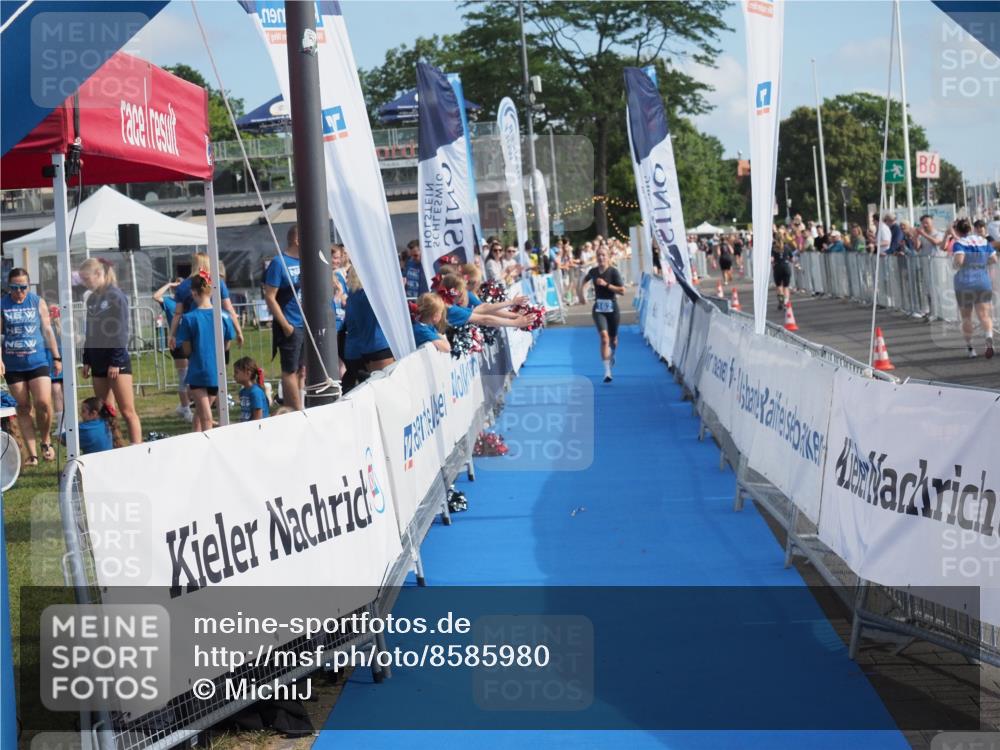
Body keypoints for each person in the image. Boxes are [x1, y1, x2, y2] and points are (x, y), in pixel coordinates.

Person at [79, 258, 142, 445]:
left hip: (116, 360)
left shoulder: (116, 295)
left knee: (127, 410)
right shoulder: (91, 298)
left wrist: (115, 360)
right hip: (97, 359)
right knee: (104, 409)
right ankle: (112, 445)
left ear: (99, 274)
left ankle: (136, 447)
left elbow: (121, 330)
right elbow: (89, 331)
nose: (84, 283)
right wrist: (87, 359)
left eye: (86, 278)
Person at [1, 268, 60, 464]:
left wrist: (57, 357)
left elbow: (48, 330)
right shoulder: (3, 304)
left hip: (38, 360)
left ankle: (46, 441)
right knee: (24, 407)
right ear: (9, 287)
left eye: (23, 287)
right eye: (15, 288)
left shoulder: (36, 301)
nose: (19, 292)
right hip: (13, 364)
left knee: (43, 403)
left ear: (29, 285)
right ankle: (33, 454)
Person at [175, 272, 236, 431]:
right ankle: (198, 441)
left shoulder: (188, 318)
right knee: (203, 413)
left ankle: (206, 449)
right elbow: (227, 344)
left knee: (206, 417)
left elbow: (187, 349)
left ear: (193, 292)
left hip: (198, 371)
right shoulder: (224, 316)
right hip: (217, 372)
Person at [263, 226, 306, 410]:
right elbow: (270, 296)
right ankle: (296, 411)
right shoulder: (279, 263)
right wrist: (286, 325)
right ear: (297, 240)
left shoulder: (304, 261)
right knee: (290, 370)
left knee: (301, 370)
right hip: (290, 324)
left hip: (303, 323)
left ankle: (297, 406)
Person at [948, 218, 995, 359]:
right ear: (970, 228)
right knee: (984, 315)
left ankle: (971, 349)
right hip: (983, 280)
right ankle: (989, 342)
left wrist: (954, 266)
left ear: (956, 231)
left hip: (965, 282)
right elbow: (994, 259)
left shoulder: (959, 243)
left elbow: (959, 261)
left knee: (966, 317)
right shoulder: (983, 241)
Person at [343, 266, 395, 391]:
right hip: (381, 344)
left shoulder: (353, 294)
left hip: (366, 346)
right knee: (385, 388)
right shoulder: (371, 294)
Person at [578, 246, 625, 383]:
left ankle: (612, 354)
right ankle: (607, 371)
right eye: (598, 255)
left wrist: (606, 285)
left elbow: (622, 290)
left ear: (608, 257)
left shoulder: (613, 272)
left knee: (613, 339)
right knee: (604, 338)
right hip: (598, 309)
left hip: (612, 308)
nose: (601, 258)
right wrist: (581, 295)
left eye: (603, 255)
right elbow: (584, 281)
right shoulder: (593, 271)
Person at [153, 279, 192, 422]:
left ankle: (186, 405)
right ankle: (186, 409)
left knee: (193, 376)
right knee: (184, 376)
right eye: (179, 285)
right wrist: (169, 285)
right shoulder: (169, 301)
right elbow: (156, 296)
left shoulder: (191, 300)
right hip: (178, 342)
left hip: (191, 341)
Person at [46, 305, 65, 445]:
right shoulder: (62, 330)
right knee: (63, 394)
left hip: (53, 363)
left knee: (57, 393)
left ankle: (61, 426)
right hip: (62, 363)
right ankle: (65, 424)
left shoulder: (49, 330)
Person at [234, 356, 269, 422]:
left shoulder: (255, 392)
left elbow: (258, 418)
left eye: (236, 372)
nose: (234, 375)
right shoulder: (242, 392)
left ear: (248, 373)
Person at [772, 229, 795, 310]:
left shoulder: (774, 248)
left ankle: (781, 301)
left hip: (777, 267)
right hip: (786, 266)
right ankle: (786, 302)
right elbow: (792, 258)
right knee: (786, 286)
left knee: (779, 286)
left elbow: (771, 259)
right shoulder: (787, 247)